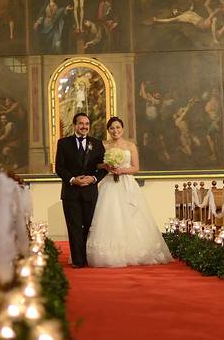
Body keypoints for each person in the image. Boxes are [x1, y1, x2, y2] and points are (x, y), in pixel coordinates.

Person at [86, 116, 172, 267]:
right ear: (108, 130)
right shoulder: (103, 145)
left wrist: (122, 170)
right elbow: (97, 165)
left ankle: (135, 250)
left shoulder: (130, 145)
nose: (115, 131)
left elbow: (136, 168)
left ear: (122, 129)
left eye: (118, 127)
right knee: (111, 215)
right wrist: (107, 166)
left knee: (132, 215)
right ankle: (111, 253)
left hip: (127, 183)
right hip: (109, 184)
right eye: (112, 128)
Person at [55, 112, 107, 267]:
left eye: (87, 124)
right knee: (74, 227)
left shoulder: (97, 144)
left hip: (90, 192)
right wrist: (72, 180)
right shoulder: (63, 143)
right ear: (74, 125)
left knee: (89, 227)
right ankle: (78, 261)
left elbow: (104, 167)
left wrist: (94, 178)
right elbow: (59, 167)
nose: (84, 126)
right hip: (70, 192)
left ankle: (88, 258)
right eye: (81, 123)